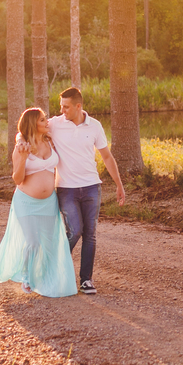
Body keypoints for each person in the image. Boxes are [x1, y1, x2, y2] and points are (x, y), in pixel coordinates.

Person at [0, 108, 77, 298]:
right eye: (43, 120)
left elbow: (65, 124)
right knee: (33, 242)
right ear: (33, 124)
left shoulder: (50, 140)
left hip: (49, 202)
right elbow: (18, 179)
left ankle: (44, 277)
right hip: (26, 202)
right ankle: (26, 276)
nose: (47, 122)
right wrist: (22, 159)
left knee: (48, 243)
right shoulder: (21, 148)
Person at [49, 87, 125, 295]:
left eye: (66, 107)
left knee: (90, 234)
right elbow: (29, 129)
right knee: (75, 230)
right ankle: (52, 270)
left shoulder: (95, 126)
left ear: (78, 106)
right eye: (61, 106)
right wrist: (20, 142)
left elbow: (107, 157)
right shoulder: (55, 124)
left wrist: (118, 184)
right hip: (66, 189)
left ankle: (86, 280)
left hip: (92, 187)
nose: (62, 110)